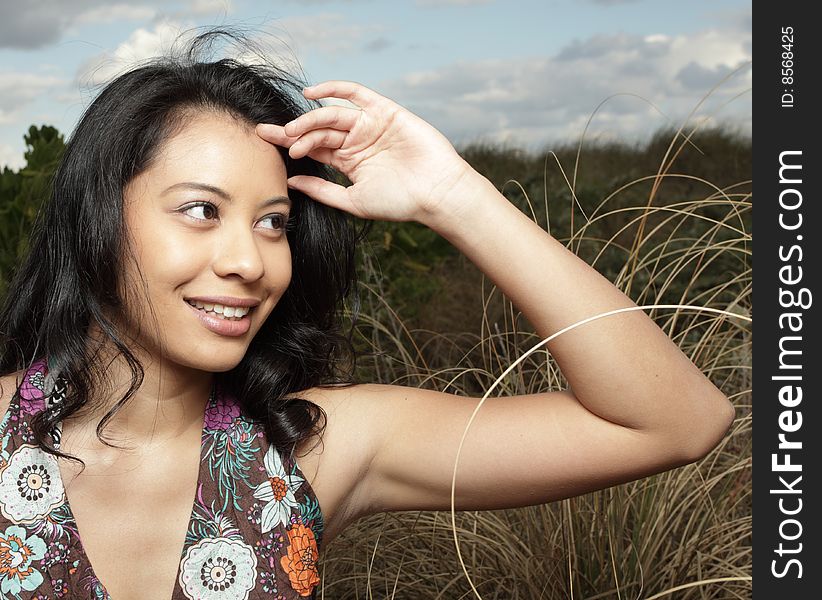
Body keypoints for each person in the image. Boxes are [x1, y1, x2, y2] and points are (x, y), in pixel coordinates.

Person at [0, 30, 735, 600]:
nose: (250, 263)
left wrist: (454, 195)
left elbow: (677, 421)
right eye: (201, 209)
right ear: (98, 217)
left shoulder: (308, 453)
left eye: (273, 223)